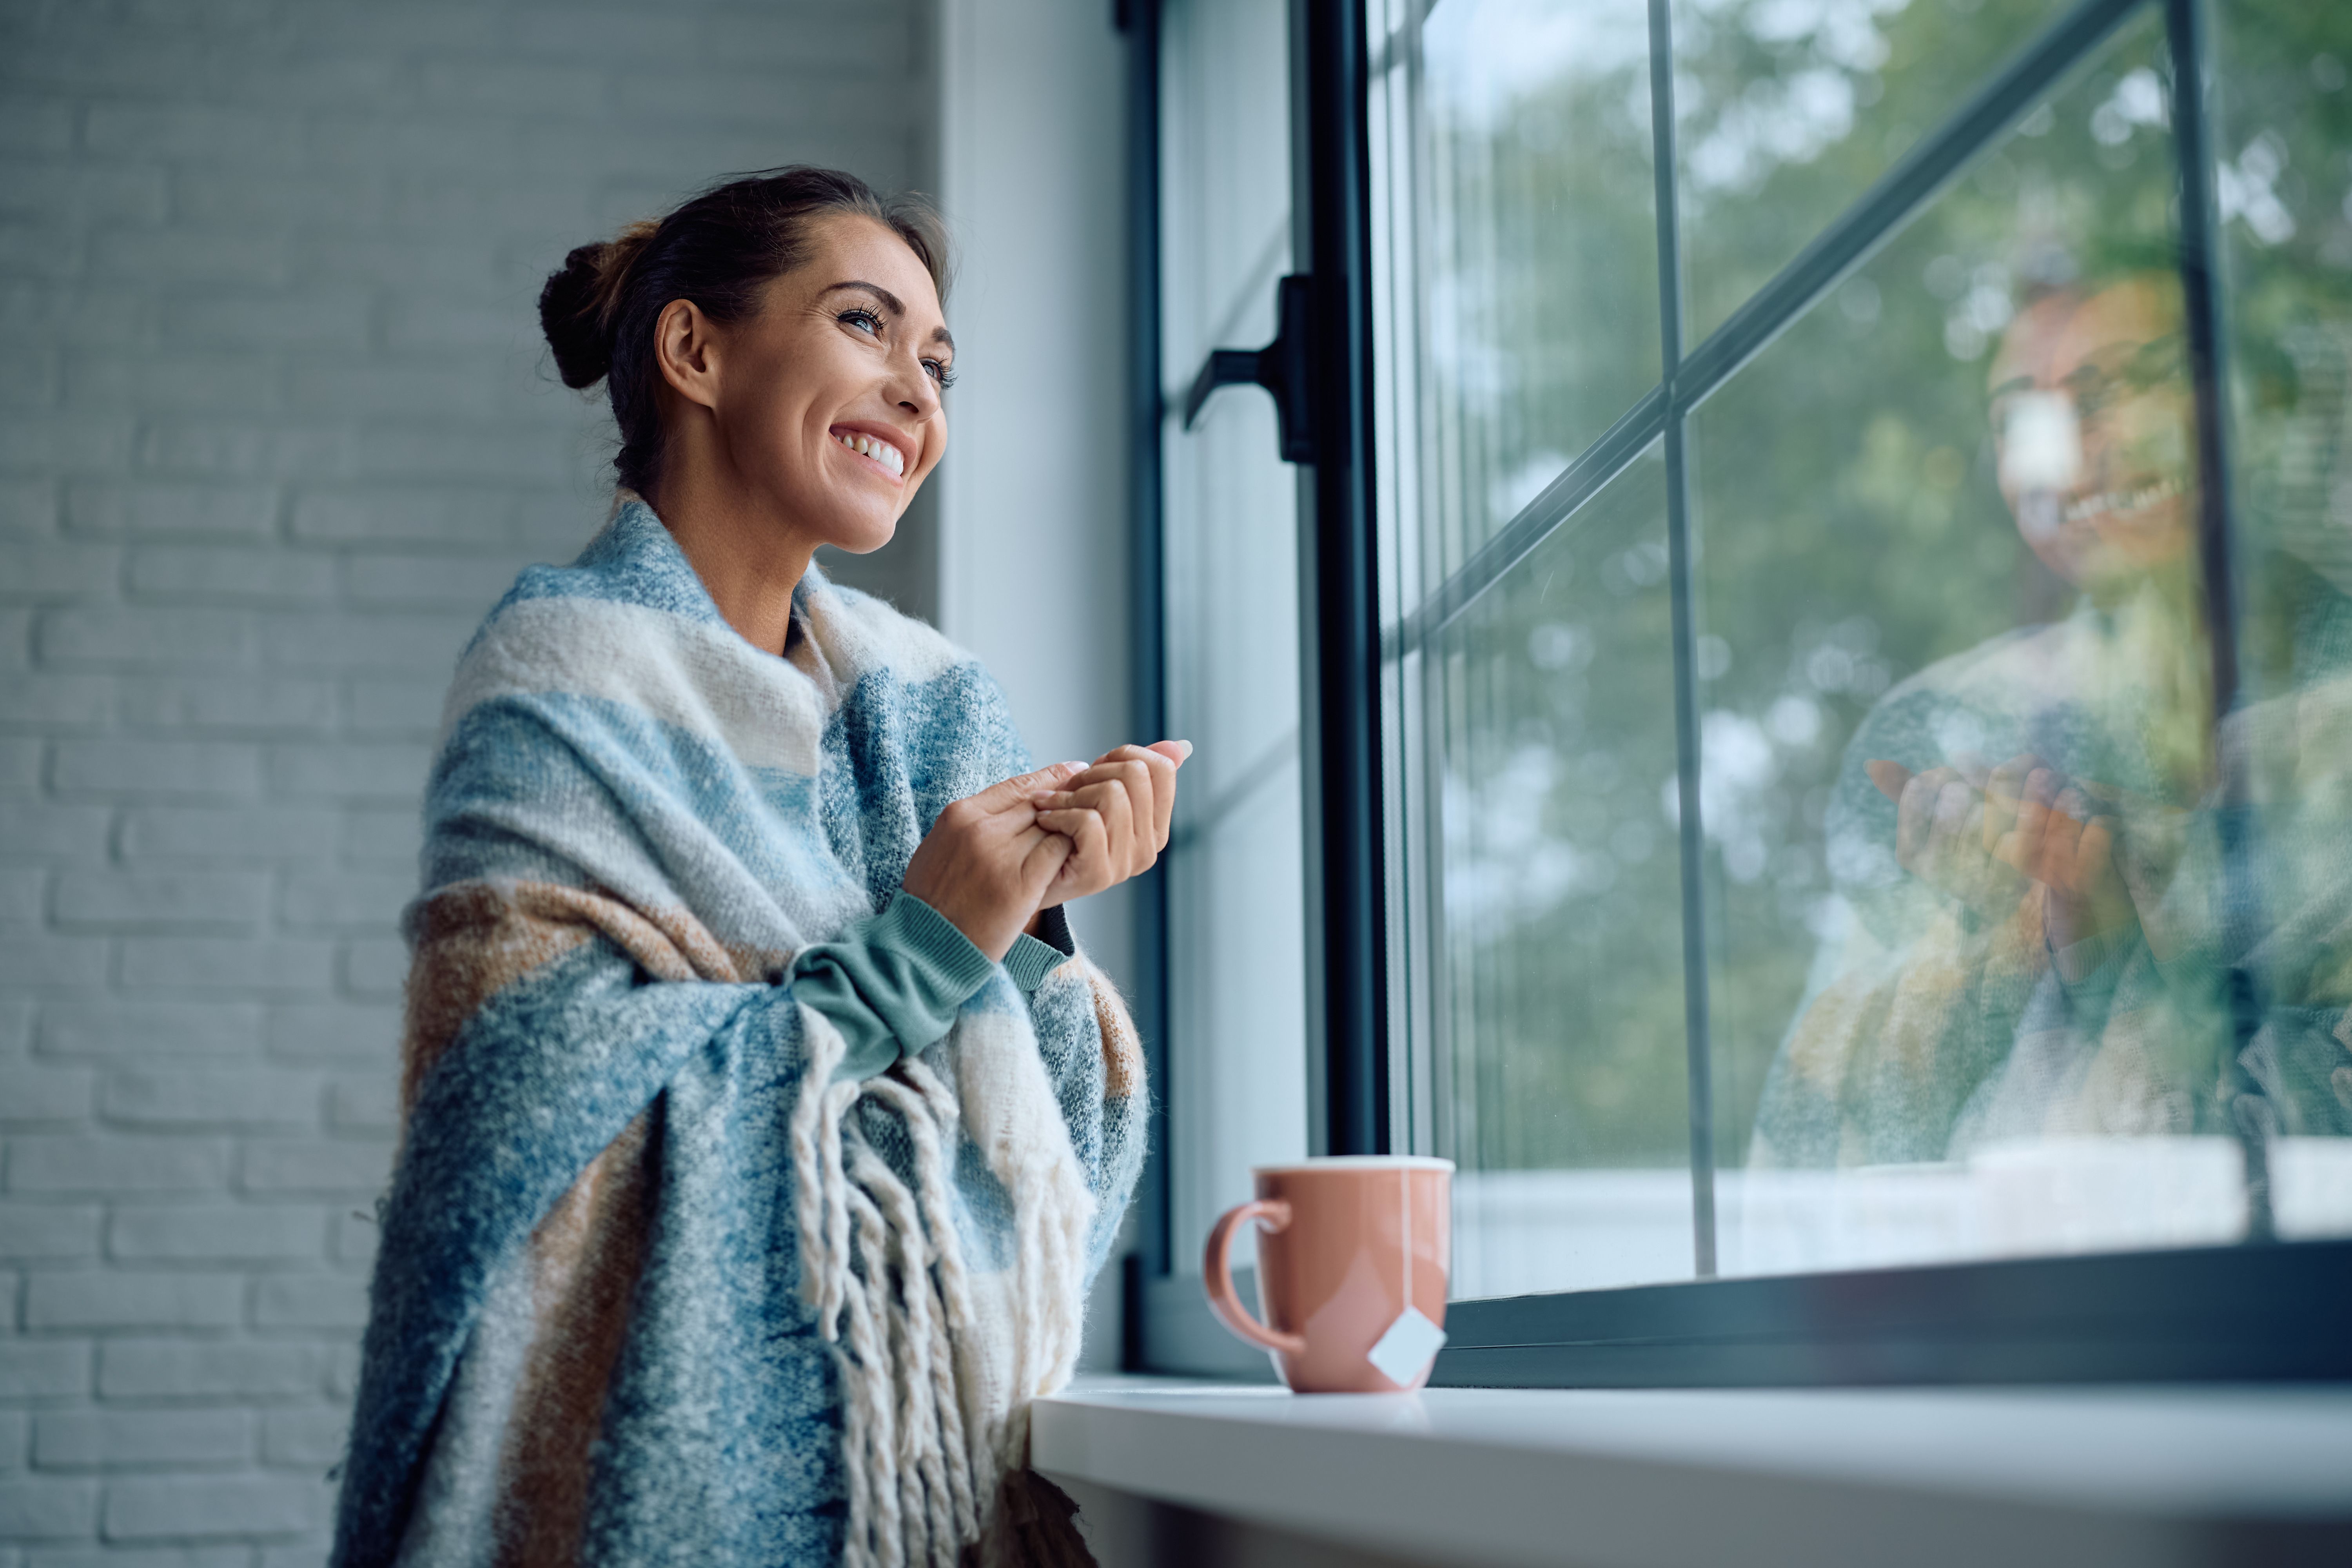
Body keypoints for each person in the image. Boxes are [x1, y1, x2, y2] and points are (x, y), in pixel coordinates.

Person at [330, 167, 1178, 1567]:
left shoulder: (937, 709)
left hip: (918, 1492)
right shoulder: (560, 682)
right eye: (867, 326)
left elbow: (1041, 1179)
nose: (920, 393)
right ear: (696, 351)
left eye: (942, 364)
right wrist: (925, 952)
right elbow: (524, 1134)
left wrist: (1030, 933)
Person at [1750, 267, 2352, 1175]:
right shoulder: (1942, 730)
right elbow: (1809, 1141)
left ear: (2252, 402)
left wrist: (2112, 955)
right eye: (2017, 421)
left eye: (2120, 385)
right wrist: (1982, 951)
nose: (2066, 450)